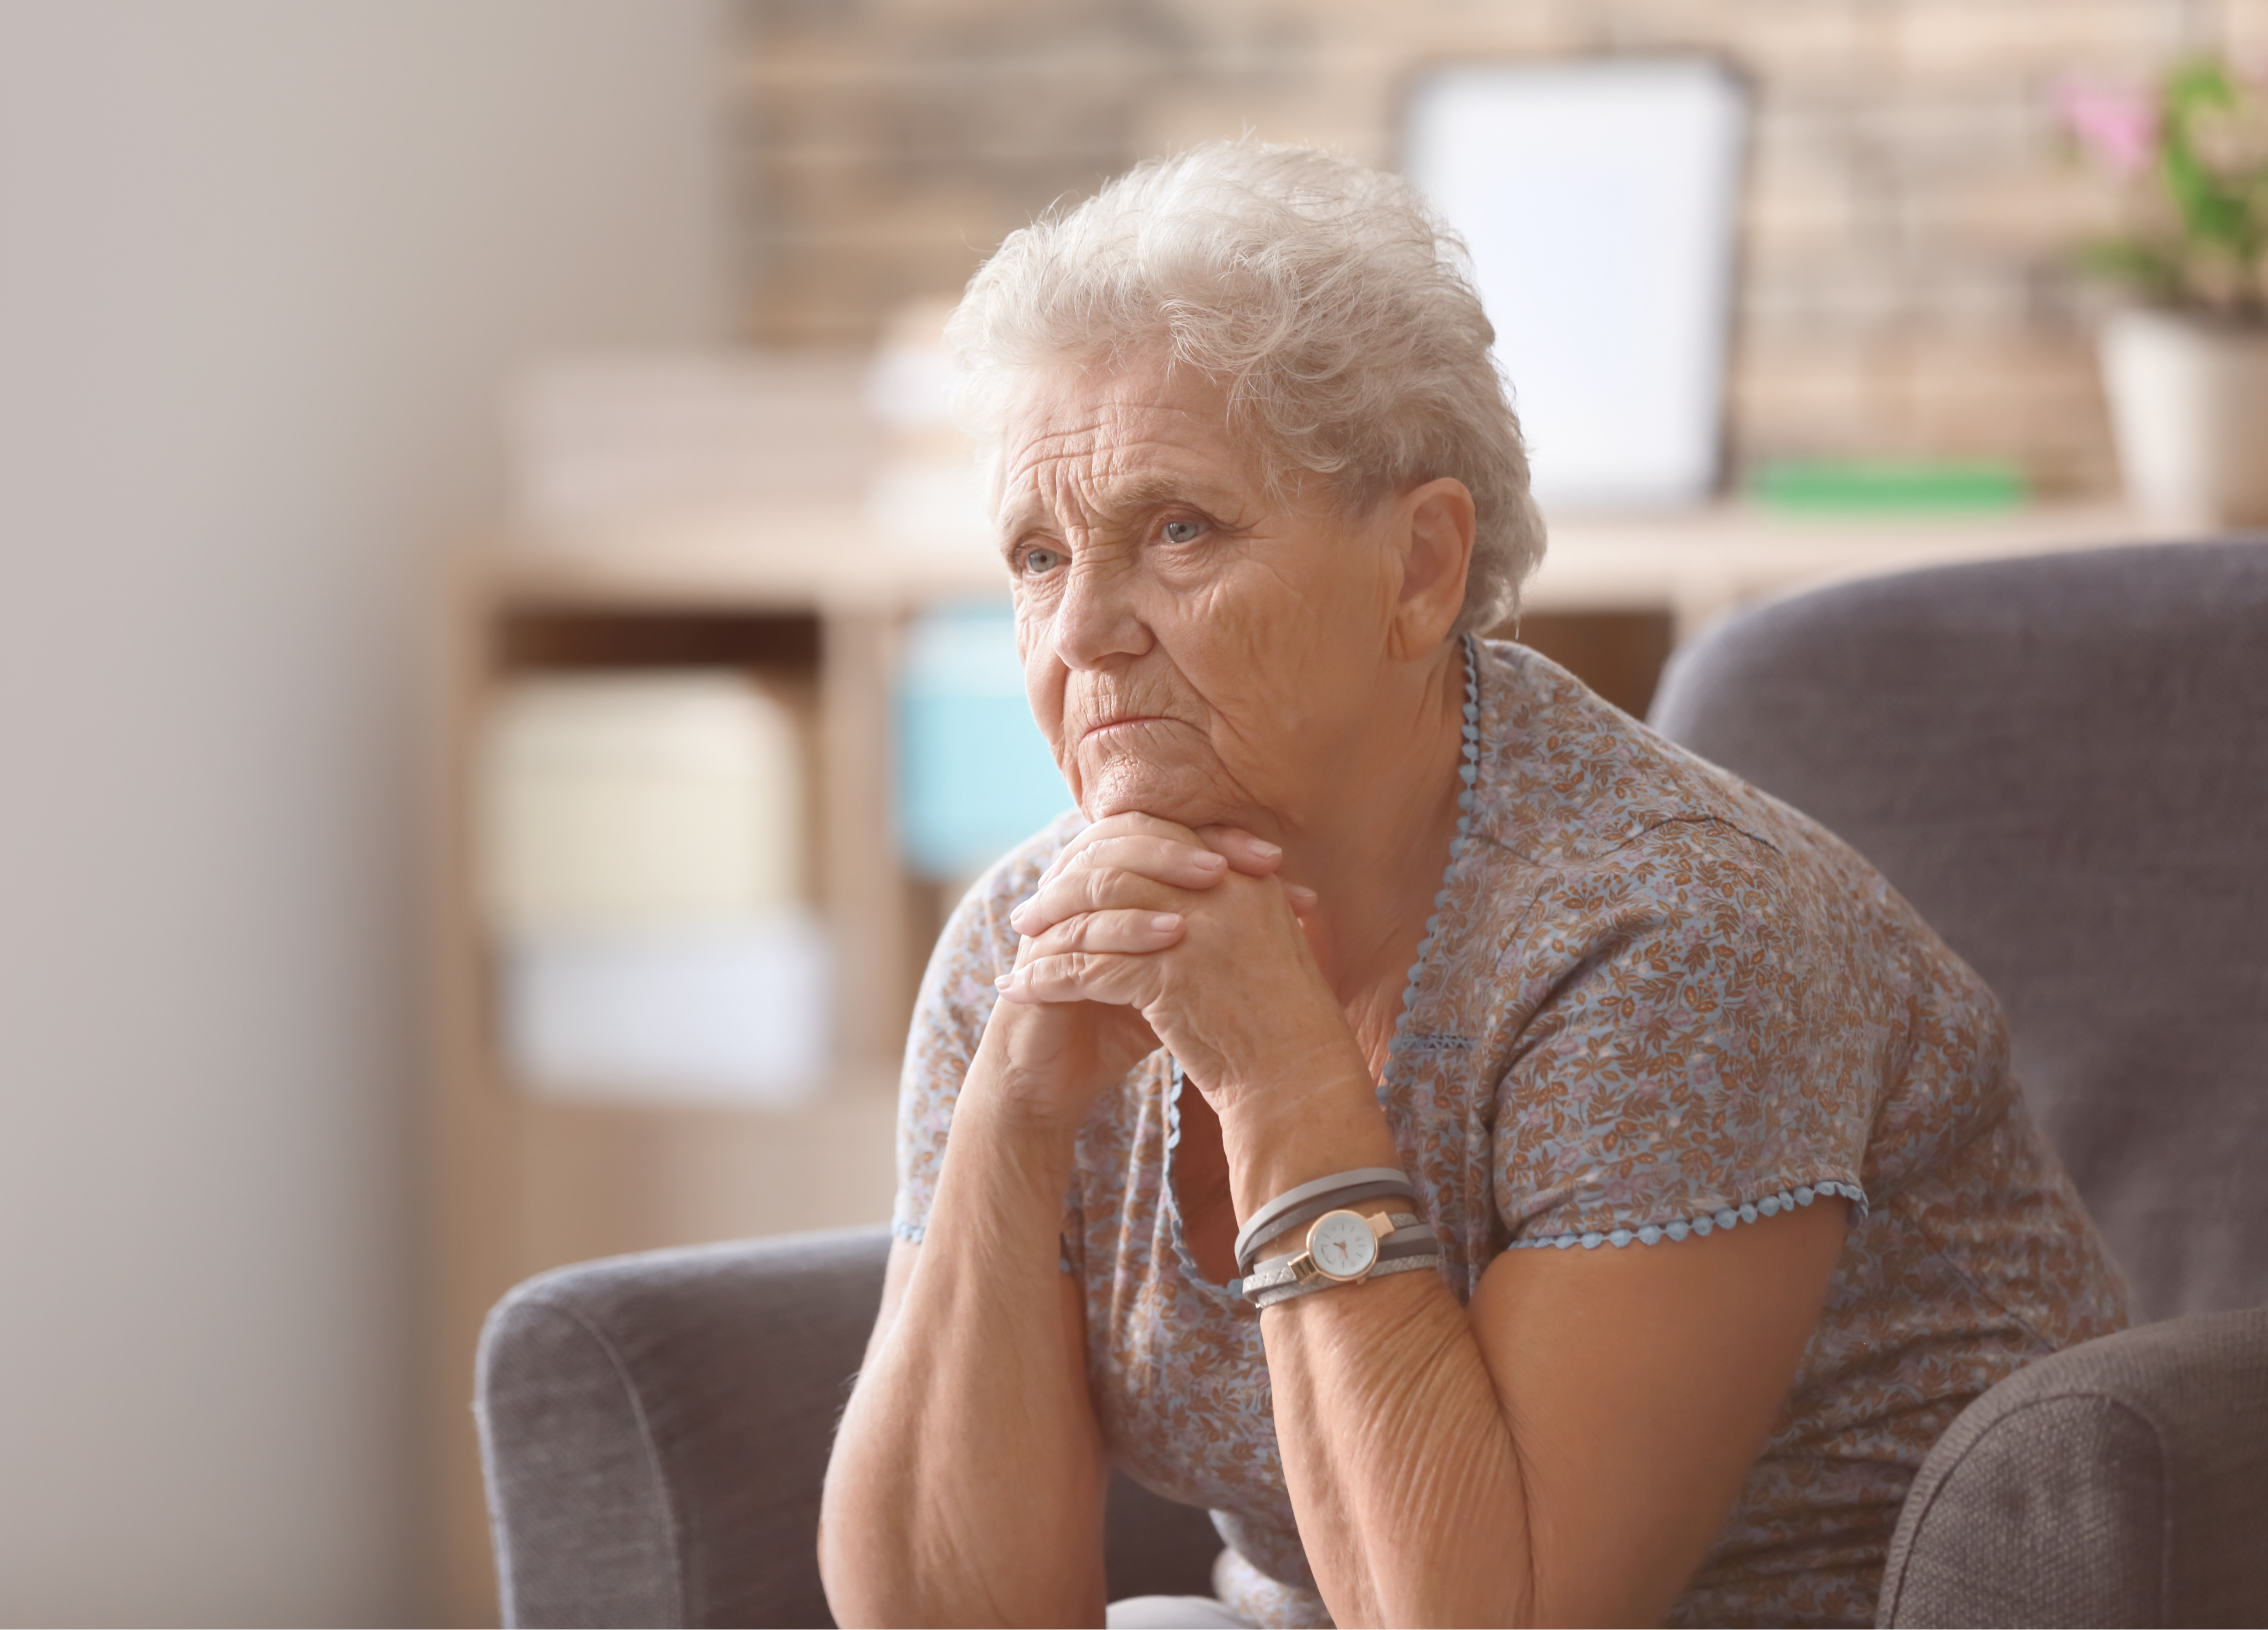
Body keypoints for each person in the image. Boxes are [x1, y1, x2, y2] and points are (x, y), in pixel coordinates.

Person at [816, 142, 2128, 1630]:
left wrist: (1280, 1075)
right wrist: (1012, 1119)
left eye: (1178, 528)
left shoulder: (1671, 934)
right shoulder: (1026, 937)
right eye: (1038, 558)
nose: (1088, 631)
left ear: (1424, 566)